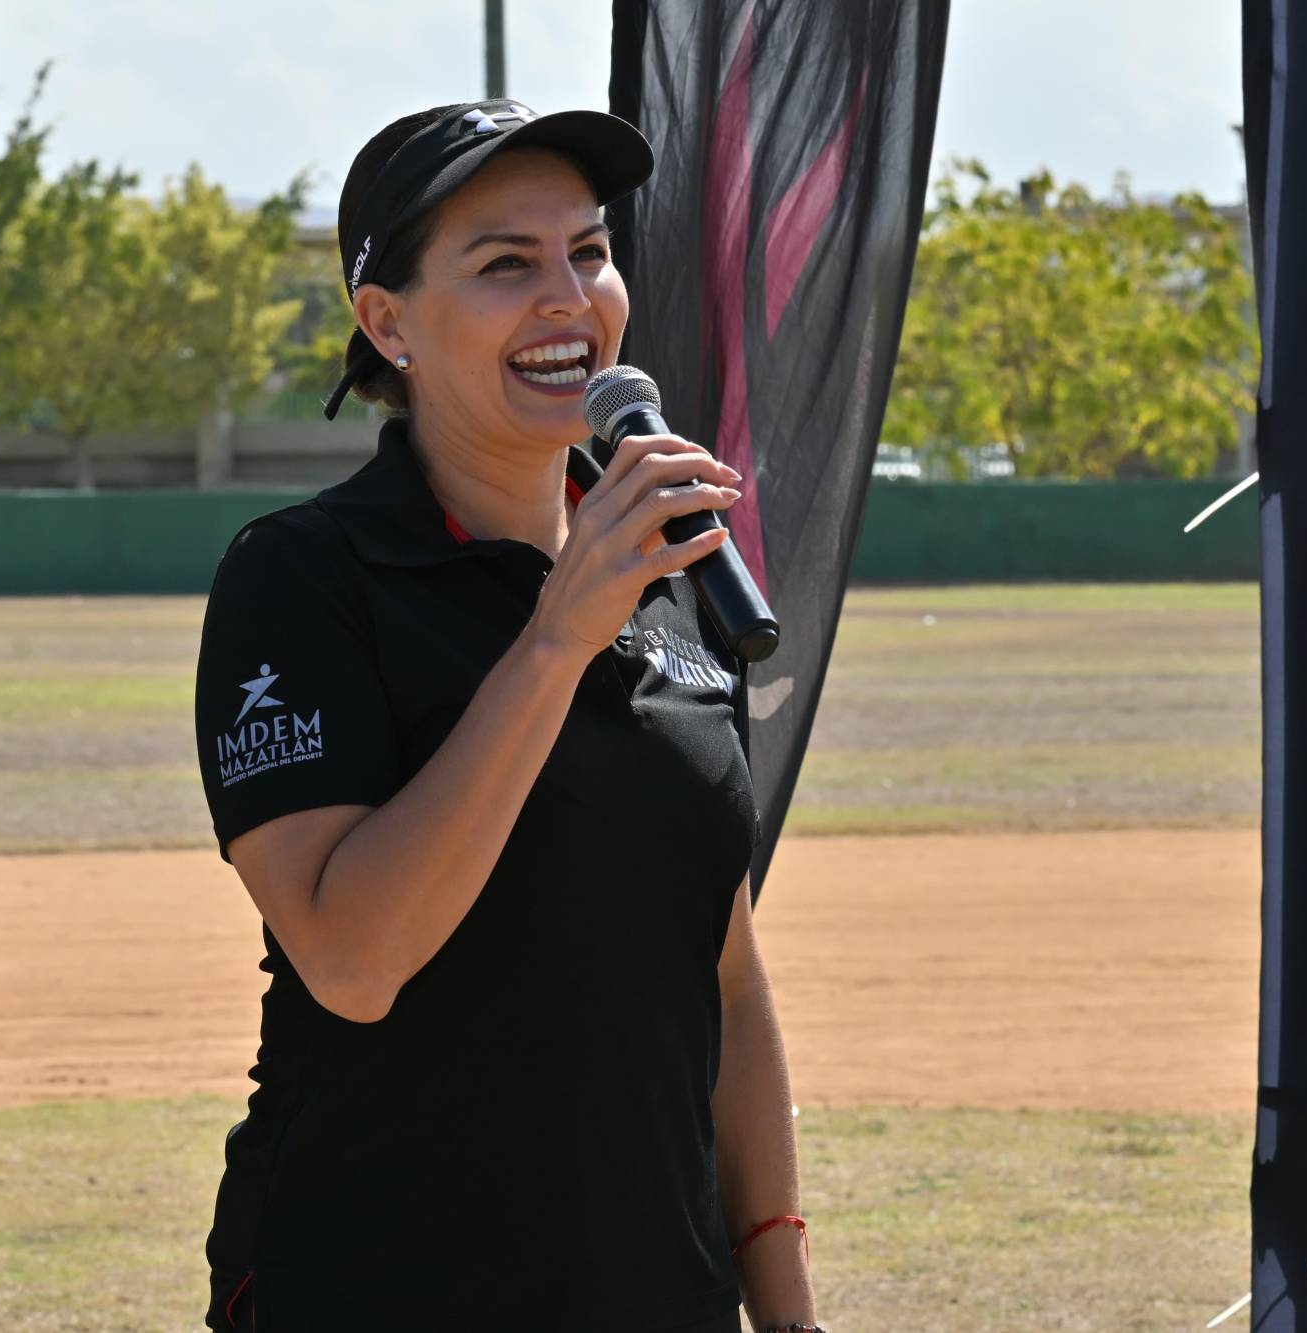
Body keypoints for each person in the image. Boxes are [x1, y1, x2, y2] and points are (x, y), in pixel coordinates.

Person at [194, 99, 821, 1333]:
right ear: (387, 323)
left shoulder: (666, 569)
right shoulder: (303, 579)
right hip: (373, 1286)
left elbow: (726, 981)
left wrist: (785, 1306)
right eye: (504, 265)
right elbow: (353, 959)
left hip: (655, 1290)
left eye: (587, 251)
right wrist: (553, 640)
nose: (566, 296)